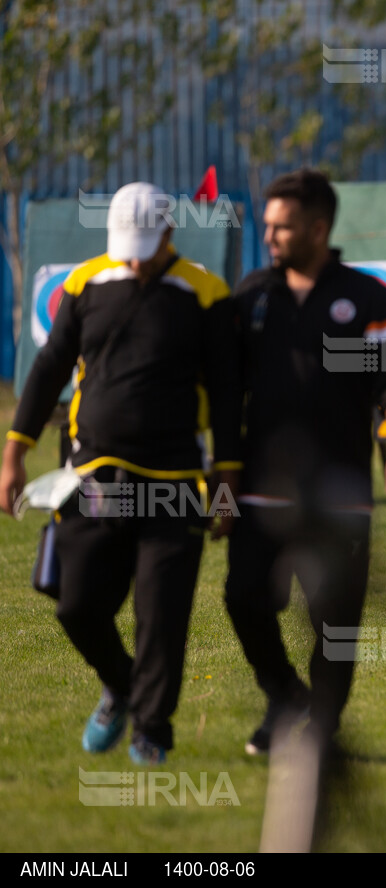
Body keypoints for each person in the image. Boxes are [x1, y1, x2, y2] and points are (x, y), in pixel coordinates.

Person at [0, 181, 242, 765]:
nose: (136, 256)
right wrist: (14, 451)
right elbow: (48, 368)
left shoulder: (205, 291)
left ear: (169, 234)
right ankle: (122, 686)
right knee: (74, 603)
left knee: (162, 614)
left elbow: (229, 395)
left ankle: (152, 730)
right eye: (126, 244)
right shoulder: (85, 283)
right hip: (93, 474)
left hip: (176, 480)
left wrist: (228, 480)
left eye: (147, 243)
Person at [224, 168, 386, 755]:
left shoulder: (366, 296)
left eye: (282, 227)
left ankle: (324, 730)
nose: (270, 236)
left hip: (341, 487)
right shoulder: (253, 294)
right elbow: (227, 390)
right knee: (242, 598)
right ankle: (283, 695)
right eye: (267, 225)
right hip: (261, 486)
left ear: (318, 227)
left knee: (334, 620)